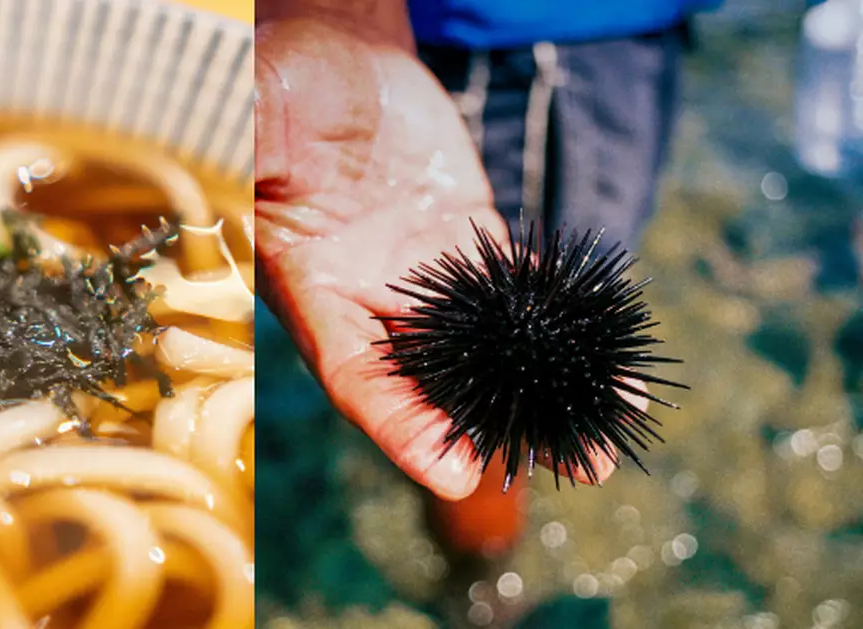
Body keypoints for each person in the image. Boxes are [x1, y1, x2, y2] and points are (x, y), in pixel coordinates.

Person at [255, 0, 719, 501]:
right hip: (511, 42)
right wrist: (330, 15)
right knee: (471, 429)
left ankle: (478, 553)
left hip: (641, 29)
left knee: (568, 296)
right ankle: (480, 561)